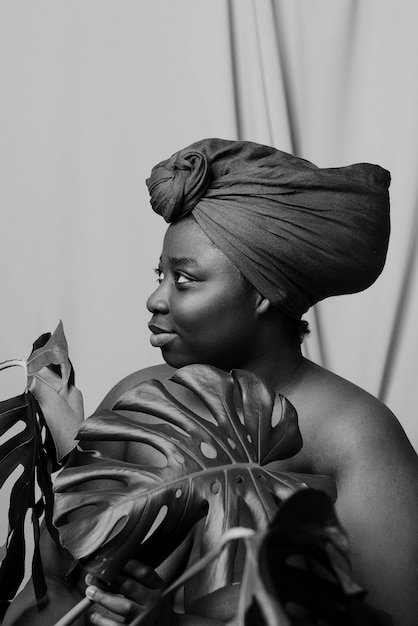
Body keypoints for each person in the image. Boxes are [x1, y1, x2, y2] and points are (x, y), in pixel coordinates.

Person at [4, 138, 418, 626]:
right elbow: (44, 583)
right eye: (159, 274)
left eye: (184, 279)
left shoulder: (356, 437)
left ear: (263, 293)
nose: (155, 299)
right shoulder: (139, 398)